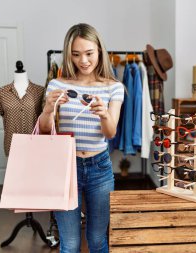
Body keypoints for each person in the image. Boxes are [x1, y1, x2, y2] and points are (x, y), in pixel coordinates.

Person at [40, 23, 124, 253]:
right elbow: (46, 130)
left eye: (89, 53)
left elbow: (111, 133)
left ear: (99, 51)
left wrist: (104, 114)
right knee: (70, 244)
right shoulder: (57, 85)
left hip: (99, 168)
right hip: (65, 167)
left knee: (97, 240)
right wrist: (48, 108)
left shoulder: (113, 87)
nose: (83, 60)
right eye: (76, 55)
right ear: (69, 55)